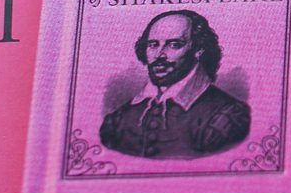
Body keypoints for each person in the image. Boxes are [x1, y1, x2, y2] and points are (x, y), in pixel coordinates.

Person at [98, 9, 251, 159]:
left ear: (198, 50)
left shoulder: (229, 116)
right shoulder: (118, 120)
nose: (159, 55)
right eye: (153, 44)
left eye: (174, 45)